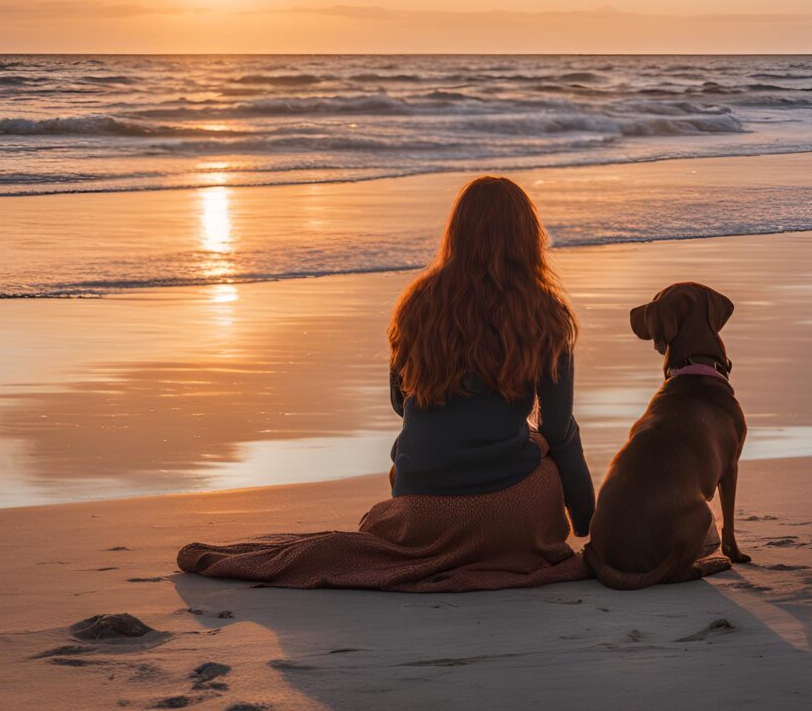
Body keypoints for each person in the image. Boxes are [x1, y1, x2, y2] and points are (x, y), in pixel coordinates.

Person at [178, 176, 594, 591]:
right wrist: (585, 515)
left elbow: (402, 403)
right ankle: (504, 538)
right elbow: (559, 428)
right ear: (528, 238)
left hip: (418, 512)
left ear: (456, 233)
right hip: (507, 516)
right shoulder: (545, 315)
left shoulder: (417, 304)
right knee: (547, 452)